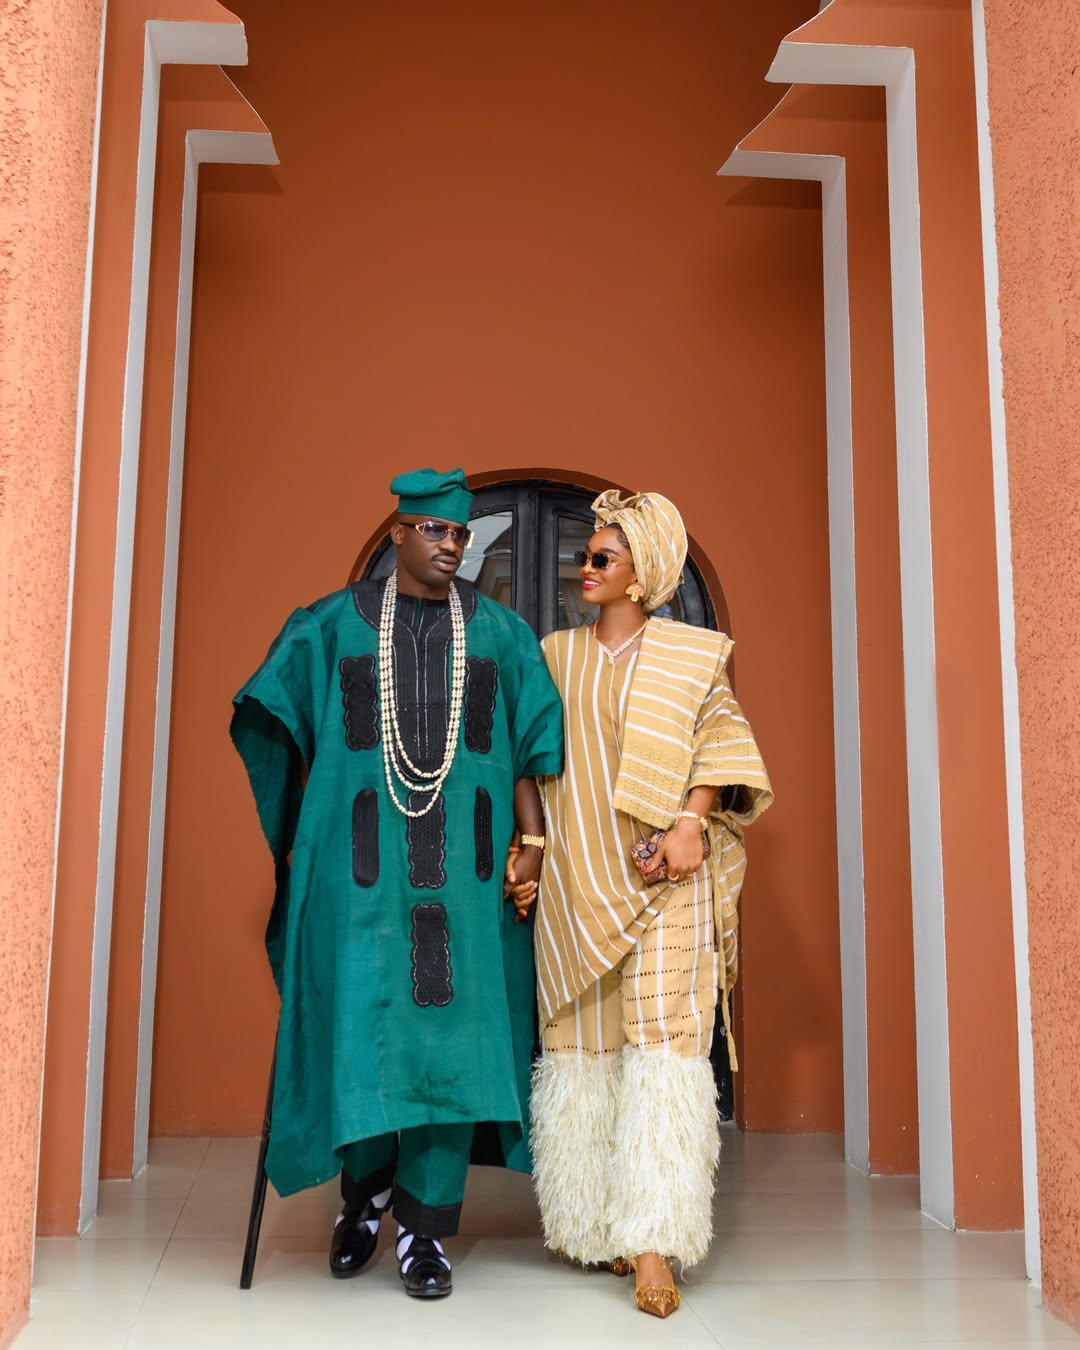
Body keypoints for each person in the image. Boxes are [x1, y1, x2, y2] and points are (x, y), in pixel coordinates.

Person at [231, 467, 564, 1299]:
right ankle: (363, 1199)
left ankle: (424, 1234)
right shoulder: (328, 628)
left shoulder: (501, 635)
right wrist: (311, 826)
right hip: (360, 878)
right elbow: (269, 715)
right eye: (435, 531)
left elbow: (529, 742)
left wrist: (533, 839)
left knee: (454, 1055)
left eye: (461, 535)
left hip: (469, 877)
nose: (452, 546)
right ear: (397, 535)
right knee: (363, 1038)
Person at [525, 488, 772, 1318]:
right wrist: (528, 852)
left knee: (666, 1051)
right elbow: (527, 753)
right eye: (585, 555)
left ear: (643, 575)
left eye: (603, 558)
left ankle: (654, 1240)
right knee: (583, 1053)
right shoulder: (554, 654)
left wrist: (691, 823)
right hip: (577, 877)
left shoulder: (692, 655)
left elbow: (722, 743)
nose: (583, 568)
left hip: (666, 875)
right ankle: (596, 1227)